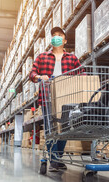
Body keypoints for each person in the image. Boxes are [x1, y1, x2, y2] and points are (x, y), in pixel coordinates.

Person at [30, 27, 81, 172]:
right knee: (50, 128)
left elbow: (82, 73)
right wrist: (40, 77)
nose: (56, 37)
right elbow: (32, 73)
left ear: (65, 40)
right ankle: (53, 159)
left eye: (59, 36)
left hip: (67, 97)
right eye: (54, 35)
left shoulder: (72, 58)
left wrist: (74, 80)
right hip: (48, 96)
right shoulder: (42, 57)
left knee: (64, 128)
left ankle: (57, 158)